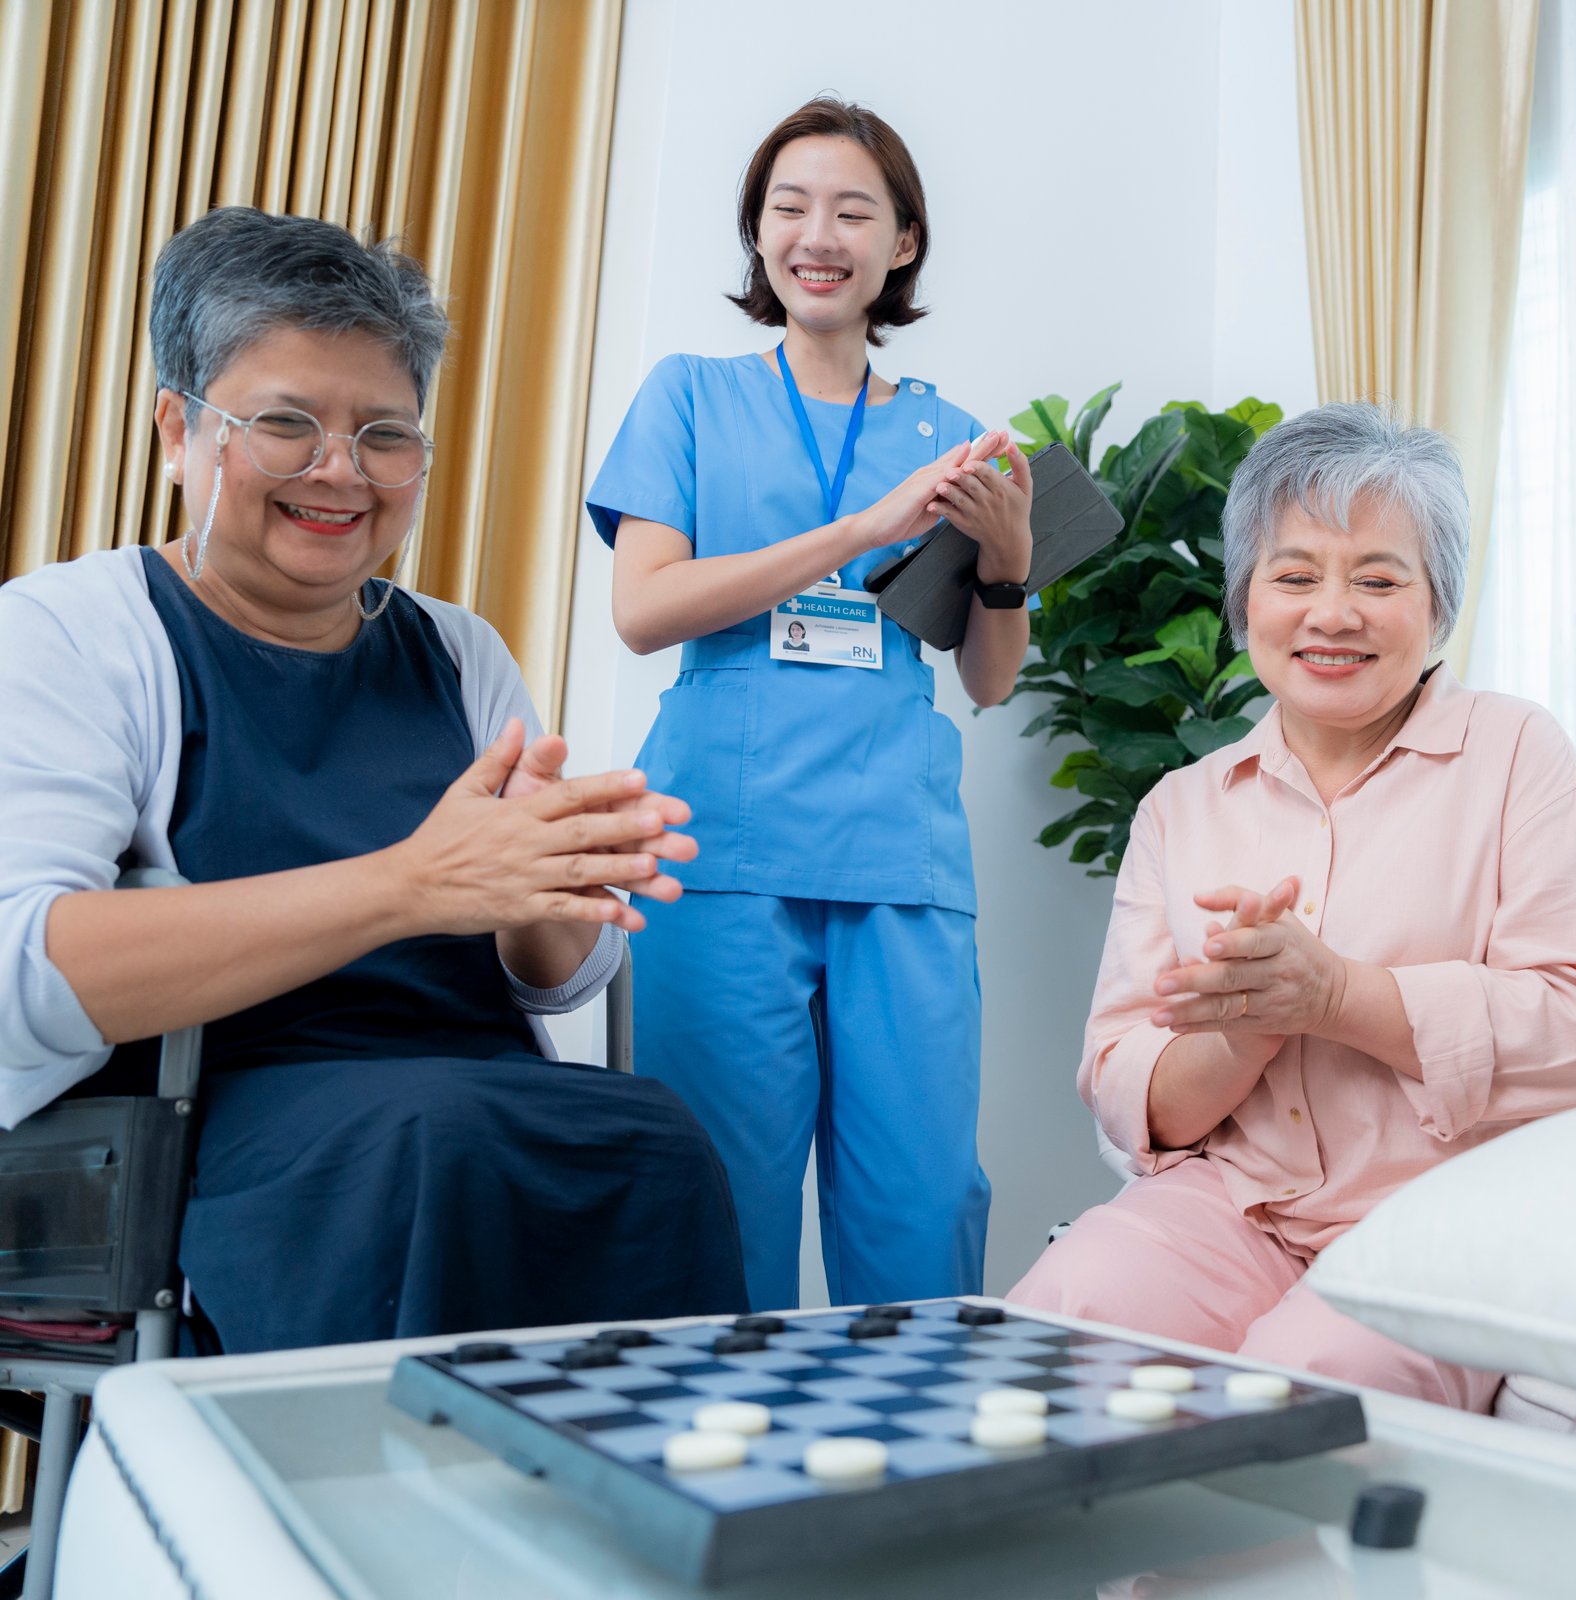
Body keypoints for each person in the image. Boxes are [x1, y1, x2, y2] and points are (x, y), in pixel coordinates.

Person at [0, 207, 747, 1353]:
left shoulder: (458, 652)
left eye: (386, 435)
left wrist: (565, 881)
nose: (340, 471)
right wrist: (411, 884)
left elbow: (556, 981)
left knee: (655, 1135)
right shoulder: (71, 633)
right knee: (427, 1138)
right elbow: (26, 974)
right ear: (177, 430)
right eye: (285, 423)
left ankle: (632, 1516)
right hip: (199, 1122)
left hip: (459, 1095)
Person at [1008, 404, 1576, 1409]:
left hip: (1449, 1216)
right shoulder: (1183, 807)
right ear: (1245, 600)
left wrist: (1337, 995)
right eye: (1295, 575)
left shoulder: (1520, 754)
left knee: (1313, 1384)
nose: (1333, 612)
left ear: (1438, 604)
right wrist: (1244, 1036)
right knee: (1064, 1317)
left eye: (1379, 579)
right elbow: (1125, 1075)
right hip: (1237, 1205)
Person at [589, 97, 1030, 1311]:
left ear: (902, 245)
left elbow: (990, 680)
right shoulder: (688, 396)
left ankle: (918, 1482)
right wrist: (864, 528)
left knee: (923, 1206)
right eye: (788, 207)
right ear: (759, 235)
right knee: (723, 1205)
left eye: (852, 210)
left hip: (900, 854)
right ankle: (720, 1483)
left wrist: (1008, 560)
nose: (816, 233)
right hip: (718, 851)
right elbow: (645, 606)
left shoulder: (951, 439)